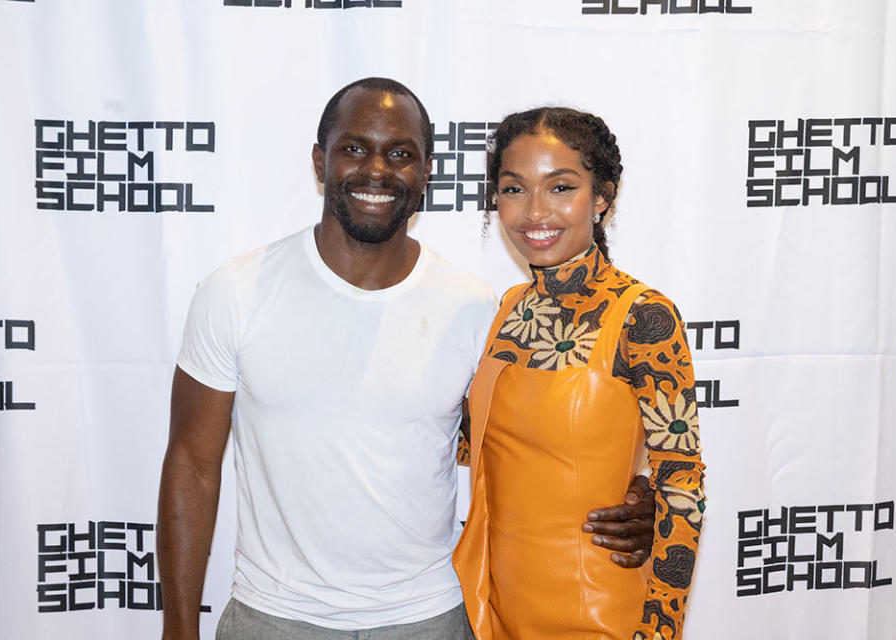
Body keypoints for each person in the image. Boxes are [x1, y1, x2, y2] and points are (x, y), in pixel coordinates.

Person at [156, 79, 657, 640]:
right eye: (354, 148)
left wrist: (639, 495)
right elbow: (192, 466)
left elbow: (522, 444)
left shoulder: (474, 307)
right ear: (320, 162)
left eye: (401, 154)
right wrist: (179, 628)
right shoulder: (236, 290)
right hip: (272, 616)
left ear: (426, 172)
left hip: (429, 616)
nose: (377, 169)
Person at [454, 107, 706, 640]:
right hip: (493, 608)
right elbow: (473, 447)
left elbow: (681, 484)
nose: (534, 212)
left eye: (561, 187)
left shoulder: (643, 316)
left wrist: (658, 630)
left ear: (602, 198)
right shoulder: (507, 309)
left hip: (599, 616)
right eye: (514, 189)